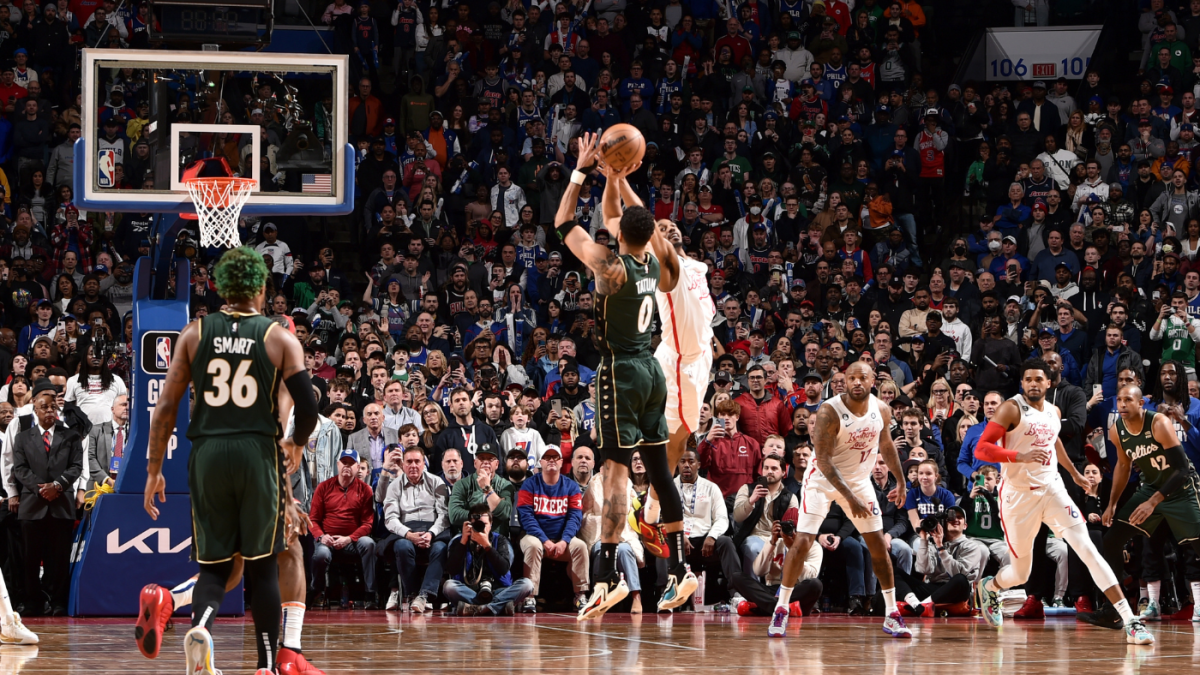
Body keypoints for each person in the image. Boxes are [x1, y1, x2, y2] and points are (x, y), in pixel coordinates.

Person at [139, 247, 319, 674]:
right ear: (259, 287)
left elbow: (165, 408)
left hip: (207, 455)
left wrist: (153, 470)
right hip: (257, 453)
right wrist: (296, 443)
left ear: (219, 286)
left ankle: (200, 624)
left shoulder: (194, 333)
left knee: (217, 566)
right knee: (263, 567)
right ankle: (267, 664)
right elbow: (307, 405)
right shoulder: (277, 336)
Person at [555, 132, 691, 619]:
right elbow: (625, 218)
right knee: (658, 472)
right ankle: (679, 569)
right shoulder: (661, 264)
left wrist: (581, 171)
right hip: (655, 371)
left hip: (621, 370)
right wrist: (617, 177)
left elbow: (564, 224)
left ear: (617, 236)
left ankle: (607, 578)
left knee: (614, 474)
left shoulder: (609, 267)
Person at [973, 359, 1154, 645]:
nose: (1033, 383)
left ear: (1049, 383)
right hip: (1018, 495)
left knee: (1088, 549)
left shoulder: (1054, 411)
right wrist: (1019, 457)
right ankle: (991, 586)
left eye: (1038, 379)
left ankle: (1130, 620)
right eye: (1028, 379)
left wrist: (1074, 474)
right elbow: (982, 448)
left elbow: (1054, 440)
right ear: (1022, 383)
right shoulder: (1012, 408)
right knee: (1021, 572)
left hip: (1052, 489)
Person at [768, 361, 911, 638]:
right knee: (803, 540)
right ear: (844, 382)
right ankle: (781, 608)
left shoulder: (881, 410)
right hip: (822, 480)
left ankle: (892, 612)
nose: (857, 382)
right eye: (851, 378)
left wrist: (902, 481)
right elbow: (823, 460)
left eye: (863, 378)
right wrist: (849, 498)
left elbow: (887, 445)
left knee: (878, 544)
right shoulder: (829, 411)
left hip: (858, 481)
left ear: (873, 382)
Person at [1081, 385, 1200, 628]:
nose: (1122, 404)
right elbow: (1123, 467)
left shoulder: (1158, 423)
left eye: (1128, 400)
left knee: (1197, 545)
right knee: (1112, 541)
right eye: (1120, 400)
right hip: (1149, 488)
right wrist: (1112, 504)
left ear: (1140, 403)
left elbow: (1182, 470)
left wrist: (1152, 502)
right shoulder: (1117, 431)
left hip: (1181, 491)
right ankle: (1113, 610)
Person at [638, 217, 715, 586]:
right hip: (680, 357)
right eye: (661, 228)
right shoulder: (662, 264)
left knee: (680, 440)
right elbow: (653, 238)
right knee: (677, 440)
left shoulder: (697, 265)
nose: (668, 230)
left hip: (700, 358)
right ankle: (650, 515)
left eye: (671, 225)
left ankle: (650, 513)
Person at [12, 380, 80, 618]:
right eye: (45, 407)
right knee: (30, 559)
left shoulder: (71, 436)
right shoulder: (22, 438)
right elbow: (19, 469)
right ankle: (33, 603)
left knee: (59, 560)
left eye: (53, 407)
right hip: (32, 506)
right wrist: (41, 488)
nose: (50, 411)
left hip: (61, 506)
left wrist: (58, 486)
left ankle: (58, 602)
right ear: (35, 410)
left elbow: (76, 467)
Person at [443, 502, 535, 615]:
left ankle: (477, 608)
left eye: (484, 524)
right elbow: (452, 570)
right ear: (469, 524)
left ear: (491, 524)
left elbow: (503, 569)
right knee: (449, 586)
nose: (481, 528)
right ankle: (498, 607)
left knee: (527, 584)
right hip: (470, 590)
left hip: (498, 591)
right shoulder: (459, 541)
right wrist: (463, 542)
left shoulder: (500, 540)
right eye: (477, 525)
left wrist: (487, 546)